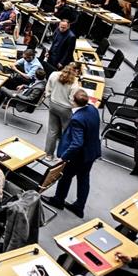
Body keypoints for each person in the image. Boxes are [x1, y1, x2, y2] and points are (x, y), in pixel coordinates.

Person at [44, 90, 101, 218]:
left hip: (78, 157)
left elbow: (77, 143)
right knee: (84, 179)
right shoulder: (93, 109)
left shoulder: (77, 119)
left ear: (73, 101)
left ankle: (58, 200)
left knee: (65, 177)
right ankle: (79, 206)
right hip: (91, 153)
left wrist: (63, 158)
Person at [44, 64, 80, 157]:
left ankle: (48, 155)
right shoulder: (75, 82)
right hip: (65, 109)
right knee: (66, 133)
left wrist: (51, 98)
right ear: (75, 71)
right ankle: (62, 156)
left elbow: (48, 90)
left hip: (53, 104)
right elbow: (72, 100)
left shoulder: (53, 74)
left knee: (52, 130)